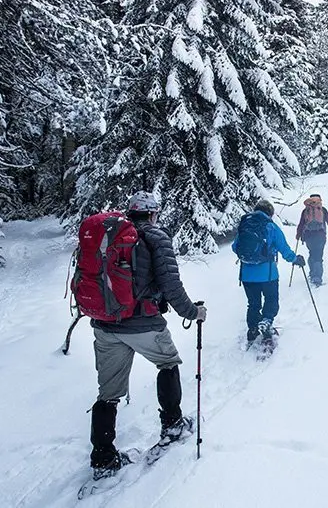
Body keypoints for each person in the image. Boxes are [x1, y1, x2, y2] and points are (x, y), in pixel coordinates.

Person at [89, 191, 207, 479]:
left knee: (108, 393)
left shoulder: (111, 234)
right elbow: (170, 284)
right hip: (143, 322)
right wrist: (193, 312)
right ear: (153, 213)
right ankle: (173, 424)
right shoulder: (156, 237)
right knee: (168, 363)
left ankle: (103, 458)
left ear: (131, 213)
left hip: (105, 324)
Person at [232, 199, 305, 345]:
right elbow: (283, 248)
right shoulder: (271, 227)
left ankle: (252, 328)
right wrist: (295, 259)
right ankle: (266, 322)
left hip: (247, 275)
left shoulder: (245, 225)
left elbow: (235, 247)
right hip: (268, 274)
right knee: (271, 299)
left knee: (253, 303)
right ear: (270, 213)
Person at [295, 193, 328, 286]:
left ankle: (312, 273)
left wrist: (298, 235)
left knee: (312, 253)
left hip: (308, 237)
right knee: (318, 255)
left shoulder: (306, 211)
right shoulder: (322, 210)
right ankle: (317, 277)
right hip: (320, 236)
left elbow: (301, 224)